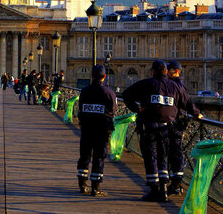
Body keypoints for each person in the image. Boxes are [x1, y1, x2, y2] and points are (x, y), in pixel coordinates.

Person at [123, 60, 184, 202]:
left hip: (149, 125)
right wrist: (196, 113)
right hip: (167, 127)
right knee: (163, 157)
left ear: (153, 71)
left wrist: (137, 109)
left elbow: (126, 95)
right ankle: (164, 188)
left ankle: (155, 189)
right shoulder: (174, 86)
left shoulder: (146, 84)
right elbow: (186, 102)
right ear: (166, 71)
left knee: (151, 157)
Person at [76, 65, 117, 196]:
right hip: (102, 128)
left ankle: (82, 185)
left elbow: (80, 108)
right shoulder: (109, 92)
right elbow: (113, 110)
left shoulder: (84, 91)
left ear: (92, 76)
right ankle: (96, 187)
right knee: (99, 156)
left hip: (87, 127)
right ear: (104, 76)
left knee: (84, 155)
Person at [166, 60, 203, 195]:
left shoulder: (177, 85)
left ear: (176, 71)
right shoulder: (174, 84)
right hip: (173, 122)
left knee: (175, 152)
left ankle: (176, 183)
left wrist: (196, 113)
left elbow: (187, 102)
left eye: (169, 69)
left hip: (175, 123)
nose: (166, 72)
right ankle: (174, 181)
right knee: (173, 152)